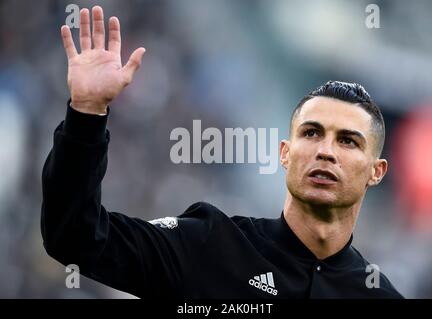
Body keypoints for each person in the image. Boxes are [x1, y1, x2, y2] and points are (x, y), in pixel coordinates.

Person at [41, 6, 403, 298]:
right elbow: (75, 239)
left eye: (347, 141)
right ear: (285, 153)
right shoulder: (208, 246)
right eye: (311, 133)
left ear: (377, 171)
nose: (325, 151)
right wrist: (86, 113)